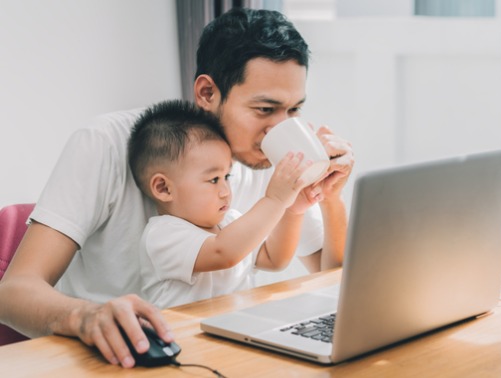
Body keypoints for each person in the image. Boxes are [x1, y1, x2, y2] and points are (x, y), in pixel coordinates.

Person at [0, 8, 353, 369]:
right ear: (206, 92)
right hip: (110, 361)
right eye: (264, 109)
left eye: (294, 110)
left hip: (216, 355)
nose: (279, 128)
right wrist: (86, 317)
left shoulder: (271, 159)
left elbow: (334, 278)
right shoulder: (106, 142)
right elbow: (13, 293)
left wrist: (331, 198)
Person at [128, 100, 319, 309]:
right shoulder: (162, 235)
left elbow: (275, 259)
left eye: (226, 176)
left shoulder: (232, 221)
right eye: (213, 180)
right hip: (185, 338)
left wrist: (292, 210)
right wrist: (275, 200)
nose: (226, 190)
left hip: (235, 330)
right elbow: (224, 252)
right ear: (164, 188)